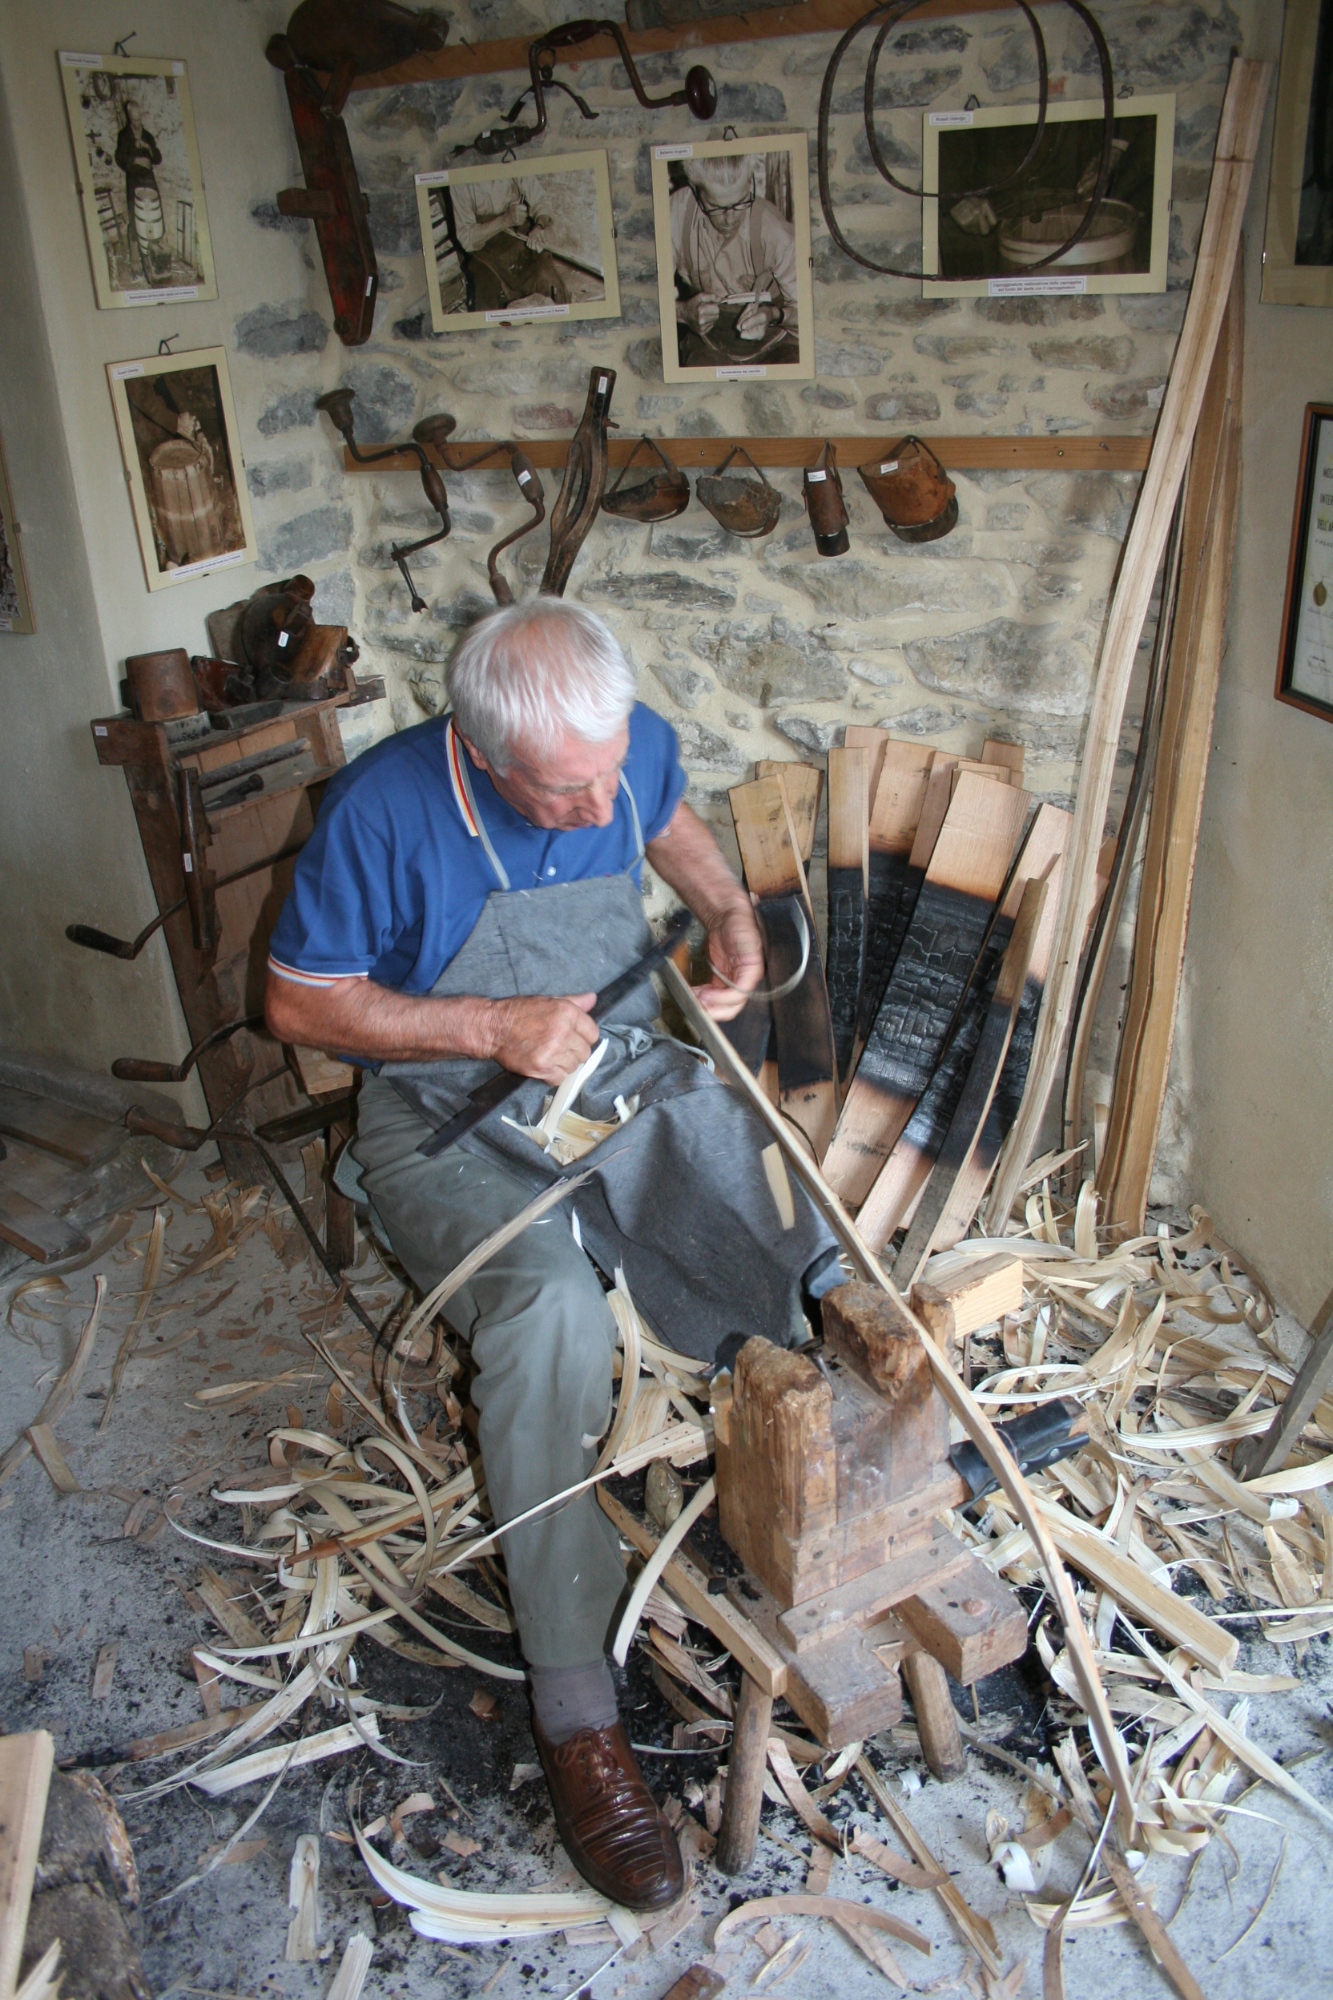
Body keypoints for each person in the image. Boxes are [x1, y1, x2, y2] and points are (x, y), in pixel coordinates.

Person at [265, 600, 840, 1911]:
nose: (596, 809)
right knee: (554, 1324)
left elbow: (663, 812)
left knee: (773, 1228)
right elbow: (296, 1002)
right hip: (445, 1116)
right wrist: (485, 1025)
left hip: (609, 1072)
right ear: (481, 753)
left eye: (606, 770)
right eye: (562, 792)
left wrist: (726, 910)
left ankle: (791, 1491)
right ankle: (579, 1710)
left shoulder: (611, 750)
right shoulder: (383, 812)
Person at [670, 154, 799, 367]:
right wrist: (683, 312)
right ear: (695, 189)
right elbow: (644, 298)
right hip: (708, 342)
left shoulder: (775, 232)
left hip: (776, 341)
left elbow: (810, 315)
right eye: (717, 207)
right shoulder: (676, 214)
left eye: (740, 203)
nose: (730, 219)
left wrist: (773, 314)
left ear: (749, 183)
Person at [444, 177, 570, 312]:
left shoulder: (512, 162)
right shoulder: (460, 182)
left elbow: (541, 201)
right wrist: (504, 220)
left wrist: (539, 226)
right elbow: (467, 239)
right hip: (483, 248)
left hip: (519, 238)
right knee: (489, 297)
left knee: (548, 279)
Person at [115, 96, 169, 285]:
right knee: (135, 221)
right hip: (134, 183)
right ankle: (136, 267)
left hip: (149, 182)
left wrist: (147, 148)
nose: (138, 123)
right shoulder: (124, 136)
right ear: (130, 118)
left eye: (140, 120)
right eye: (135, 120)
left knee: (153, 220)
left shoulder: (146, 135)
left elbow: (158, 158)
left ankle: (155, 261)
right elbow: (120, 159)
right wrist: (136, 160)